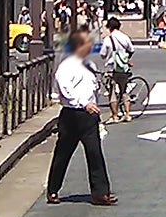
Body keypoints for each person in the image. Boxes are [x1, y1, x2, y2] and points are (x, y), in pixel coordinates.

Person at [46, 29, 116, 206]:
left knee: (95, 153)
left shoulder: (89, 65)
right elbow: (65, 88)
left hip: (90, 116)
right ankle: (53, 189)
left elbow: (94, 88)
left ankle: (100, 193)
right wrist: (83, 103)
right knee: (63, 153)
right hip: (72, 114)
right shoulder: (66, 66)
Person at [101, 17, 135, 122]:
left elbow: (103, 54)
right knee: (124, 91)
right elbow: (131, 50)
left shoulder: (107, 39)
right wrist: (125, 59)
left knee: (112, 92)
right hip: (123, 67)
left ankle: (115, 116)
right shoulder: (125, 37)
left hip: (112, 68)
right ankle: (127, 114)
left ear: (110, 27)